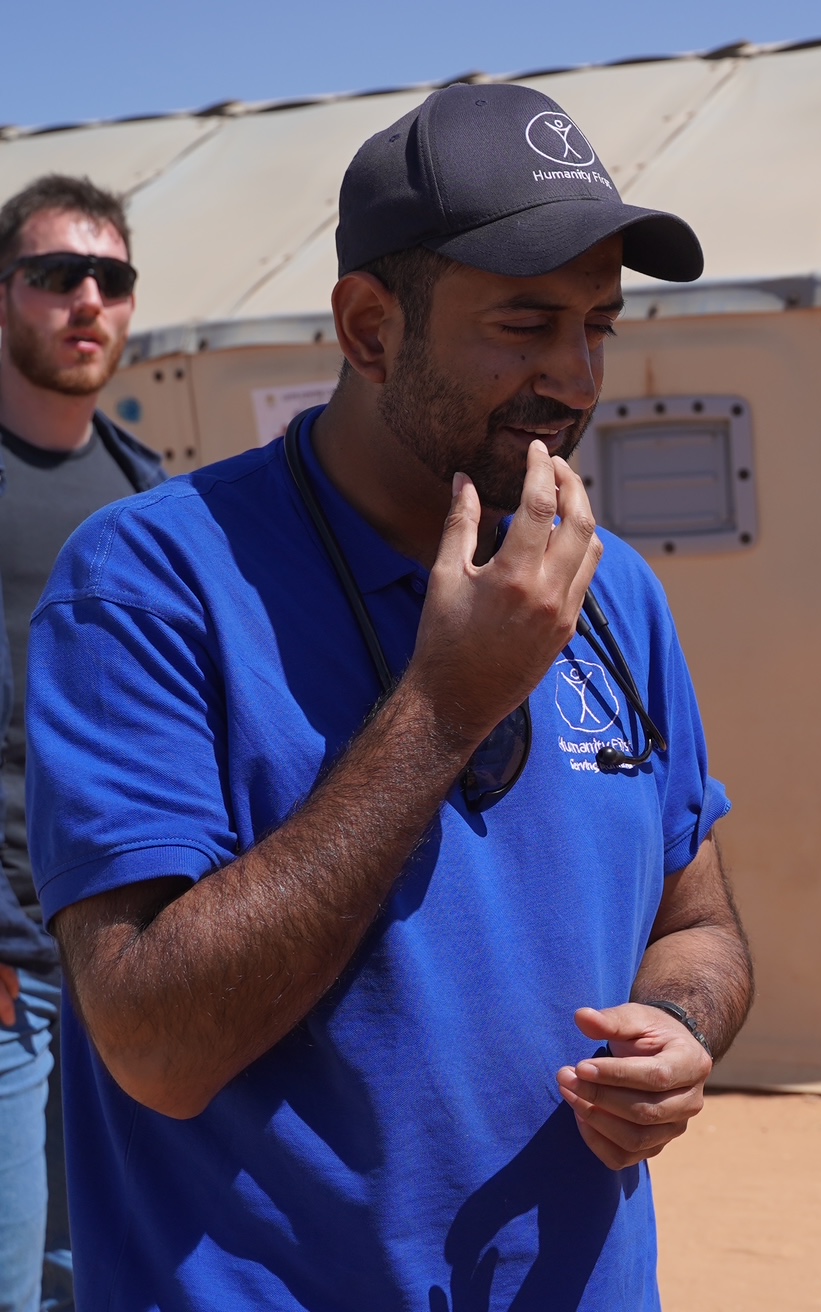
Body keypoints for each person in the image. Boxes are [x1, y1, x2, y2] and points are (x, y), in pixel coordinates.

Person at [27, 84, 751, 1310]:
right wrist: (443, 705)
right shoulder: (150, 582)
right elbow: (154, 1045)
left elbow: (702, 924)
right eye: (525, 324)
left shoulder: (611, 587)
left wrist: (679, 1028)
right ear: (370, 328)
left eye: (599, 326)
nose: (575, 379)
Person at [0, 173, 163, 1312]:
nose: (87, 300)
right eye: (58, 275)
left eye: (110, 278)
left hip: (114, 955)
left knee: (90, 1271)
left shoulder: (146, 499)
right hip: (3, 960)